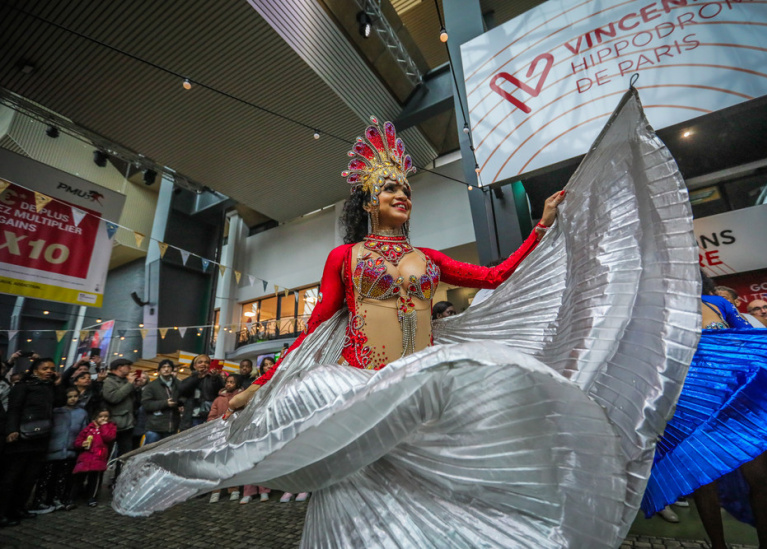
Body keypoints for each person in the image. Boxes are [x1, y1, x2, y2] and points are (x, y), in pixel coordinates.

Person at [113, 103, 704, 547]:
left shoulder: (431, 259)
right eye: (391, 188)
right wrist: (252, 390)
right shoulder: (345, 258)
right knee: (360, 492)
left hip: (421, 385)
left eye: (405, 188)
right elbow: (314, 330)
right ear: (370, 201)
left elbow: (497, 277)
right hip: (359, 388)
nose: (403, 195)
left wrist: (543, 226)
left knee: (440, 486)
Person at [643, 274, 767, 549]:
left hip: (736, 403)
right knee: (703, 481)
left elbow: (748, 336)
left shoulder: (716, 303)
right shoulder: (657, 310)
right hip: (690, 403)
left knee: (763, 481)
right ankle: (718, 546)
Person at [1, 358, 65, 528]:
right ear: (35, 370)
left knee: (29, 477)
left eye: (52, 368)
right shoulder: (23, 386)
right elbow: (14, 409)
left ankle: (18, 508)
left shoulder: (49, 387)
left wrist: (58, 385)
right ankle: (3, 512)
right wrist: (12, 430)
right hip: (21, 438)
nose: (49, 371)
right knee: (12, 477)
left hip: (40, 438)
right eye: (45, 368)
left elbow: (60, 402)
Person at [31, 387, 88, 513]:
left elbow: (83, 431)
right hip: (53, 449)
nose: (73, 399)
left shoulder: (82, 413)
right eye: (70, 396)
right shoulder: (56, 412)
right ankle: (40, 500)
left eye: (75, 396)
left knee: (63, 477)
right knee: (46, 477)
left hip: (70, 449)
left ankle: (57, 499)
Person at [205, 374, 242, 503]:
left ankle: (234, 488)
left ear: (237, 384)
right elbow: (212, 415)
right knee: (219, 461)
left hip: (235, 432)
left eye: (232, 382)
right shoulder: (218, 399)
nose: (229, 384)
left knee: (232, 461)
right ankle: (216, 490)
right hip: (220, 433)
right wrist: (216, 424)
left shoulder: (241, 397)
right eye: (227, 382)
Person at [71, 409, 117, 507]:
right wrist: (81, 444)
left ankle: (92, 497)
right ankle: (72, 498)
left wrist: (104, 426)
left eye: (106, 416)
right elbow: (78, 441)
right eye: (100, 416)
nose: (103, 419)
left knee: (94, 479)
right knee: (79, 478)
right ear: (95, 417)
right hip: (86, 457)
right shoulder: (89, 428)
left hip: (98, 457)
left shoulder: (110, 427)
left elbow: (108, 437)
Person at [101, 358, 138, 462]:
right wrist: (129, 385)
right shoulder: (108, 381)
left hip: (128, 424)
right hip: (114, 424)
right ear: (120, 367)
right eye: (128, 366)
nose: (130, 368)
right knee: (107, 454)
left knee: (125, 455)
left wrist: (136, 387)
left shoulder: (126, 381)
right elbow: (113, 398)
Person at [141, 360, 181, 445]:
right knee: (150, 450)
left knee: (167, 451)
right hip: (154, 427)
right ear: (159, 370)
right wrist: (165, 403)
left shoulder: (178, 384)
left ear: (172, 369)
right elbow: (146, 404)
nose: (166, 369)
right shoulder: (151, 386)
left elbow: (184, 397)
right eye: (163, 367)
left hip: (172, 426)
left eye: (169, 367)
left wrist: (181, 404)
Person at [179, 354, 223, 430]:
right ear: (194, 366)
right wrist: (197, 377)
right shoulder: (187, 380)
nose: (203, 364)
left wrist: (215, 378)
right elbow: (181, 392)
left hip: (207, 415)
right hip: (190, 416)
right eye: (200, 362)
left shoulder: (214, 378)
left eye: (206, 362)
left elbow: (219, 391)